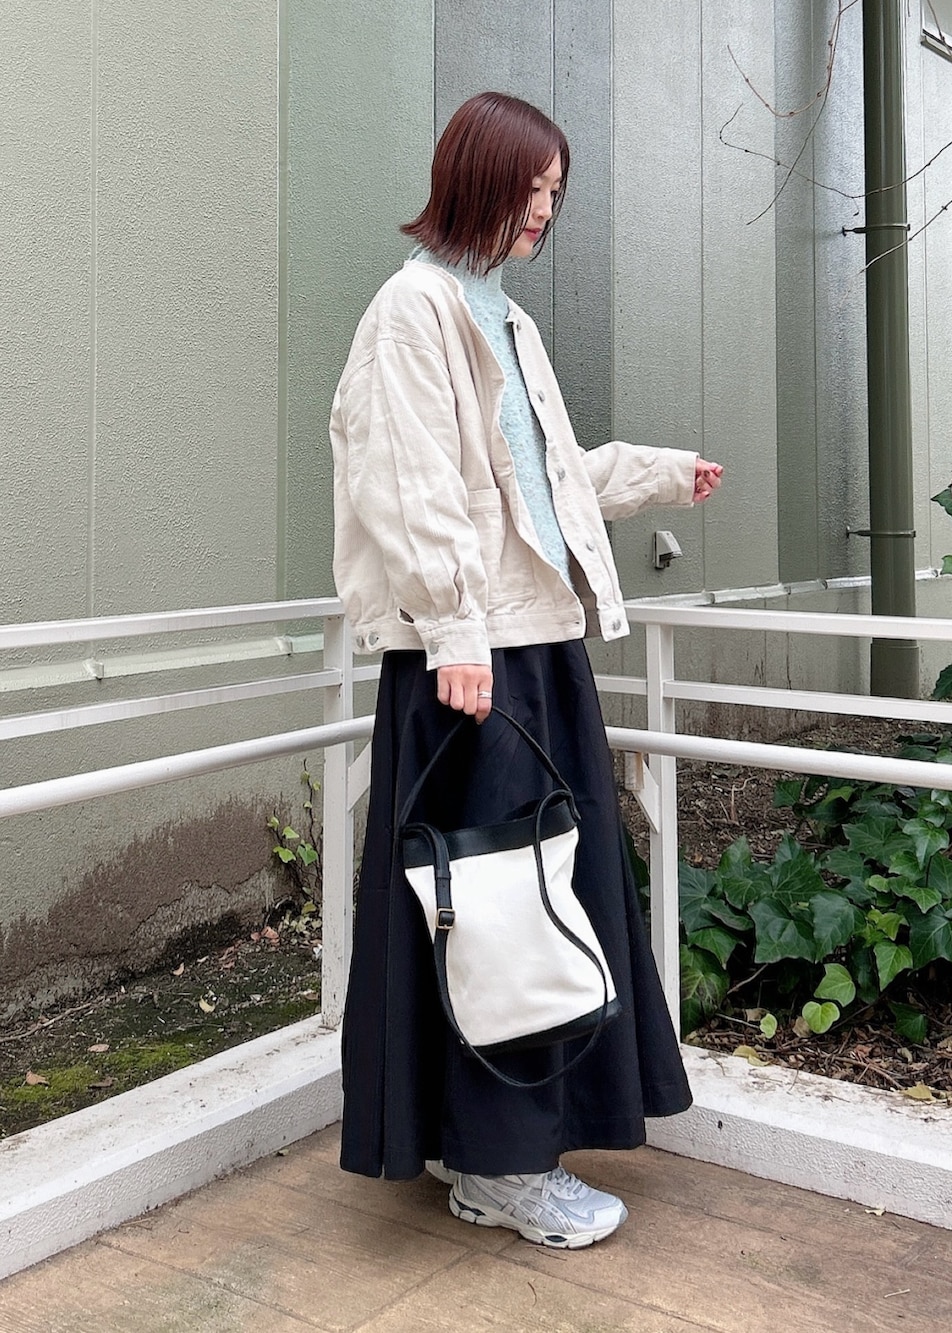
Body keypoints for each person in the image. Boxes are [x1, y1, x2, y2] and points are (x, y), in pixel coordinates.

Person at [329, 90, 723, 1250]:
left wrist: (656, 473)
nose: (545, 211)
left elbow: (539, 480)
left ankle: (492, 1147)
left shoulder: (502, 316)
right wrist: (454, 635)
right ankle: (500, 1169)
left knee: (538, 899)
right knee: (498, 907)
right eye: (531, 189)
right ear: (479, 180)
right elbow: (409, 484)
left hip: (531, 646)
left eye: (555, 193)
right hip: (477, 661)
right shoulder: (414, 311)